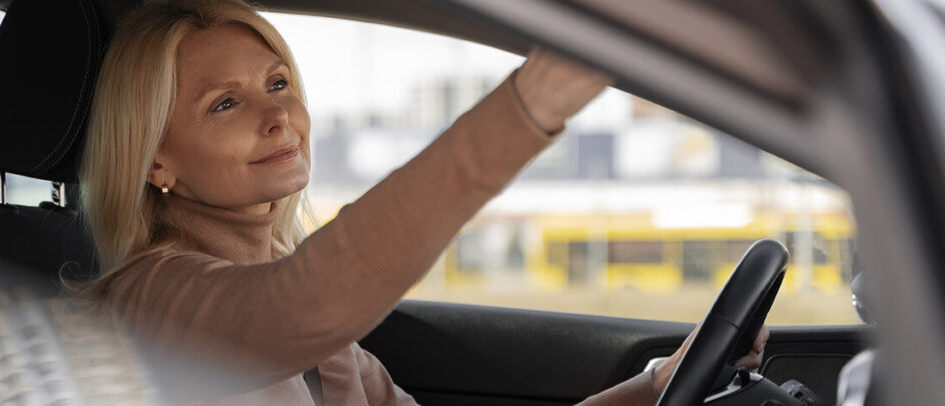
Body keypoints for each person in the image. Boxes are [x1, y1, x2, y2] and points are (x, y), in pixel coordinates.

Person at [72, 0, 768, 404]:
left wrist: (658, 385)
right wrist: (527, 108)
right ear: (155, 159)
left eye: (278, 84)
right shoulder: (147, 303)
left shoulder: (332, 348)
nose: (277, 116)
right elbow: (298, 304)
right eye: (225, 103)